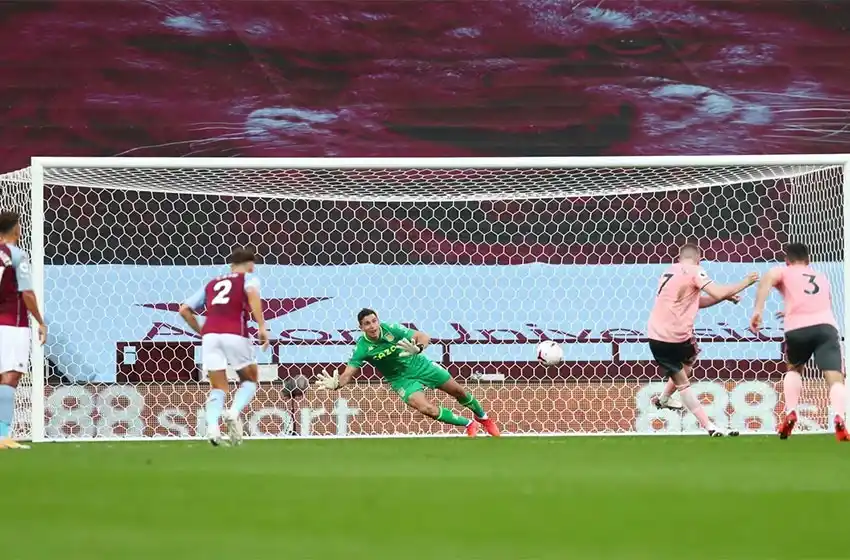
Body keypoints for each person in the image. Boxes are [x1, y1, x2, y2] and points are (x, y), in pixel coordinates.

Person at [315, 308, 500, 437]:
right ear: (360, 327)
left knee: (458, 391)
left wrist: (418, 348)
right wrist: (337, 383)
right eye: (366, 324)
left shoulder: (392, 329)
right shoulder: (362, 348)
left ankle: (483, 418)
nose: (372, 326)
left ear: (378, 320)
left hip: (420, 365)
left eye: (374, 321)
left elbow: (423, 336)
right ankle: (468, 424)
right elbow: (348, 375)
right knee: (425, 408)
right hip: (400, 379)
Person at [647, 243, 758, 436]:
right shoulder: (695, 271)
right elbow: (715, 292)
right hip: (675, 337)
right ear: (699, 259)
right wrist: (745, 282)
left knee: (687, 365)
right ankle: (710, 426)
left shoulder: (669, 271)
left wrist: (725, 297)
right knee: (683, 382)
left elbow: (696, 301)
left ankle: (664, 398)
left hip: (656, 335)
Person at [750, 242, 847, 441]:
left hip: (797, 329)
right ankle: (839, 417)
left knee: (794, 369)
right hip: (826, 327)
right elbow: (823, 302)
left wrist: (758, 310)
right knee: (835, 377)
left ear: (787, 260)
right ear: (808, 260)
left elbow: (766, 281)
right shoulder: (820, 276)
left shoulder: (783, 271)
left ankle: (791, 412)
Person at [179, 248, 269, 446]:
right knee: (250, 379)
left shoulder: (213, 283)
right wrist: (262, 326)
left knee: (218, 387)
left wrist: (203, 331)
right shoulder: (248, 279)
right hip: (235, 332)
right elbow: (252, 294)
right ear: (250, 265)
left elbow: (184, 309)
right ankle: (233, 412)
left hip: (211, 335)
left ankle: (212, 428)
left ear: (231, 265)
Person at [0, 211, 46, 450]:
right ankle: (2, 436)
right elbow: (27, 293)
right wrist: (40, 321)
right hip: (11, 325)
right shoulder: (17, 255)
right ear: (16, 229)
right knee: (10, 377)